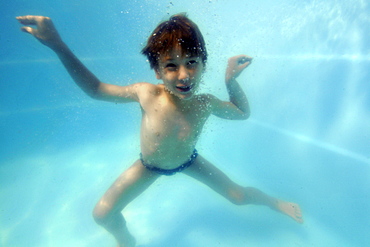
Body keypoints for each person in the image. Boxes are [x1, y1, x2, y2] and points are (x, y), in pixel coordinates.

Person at [17, 14, 303, 247]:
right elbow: (96, 89)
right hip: (149, 167)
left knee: (238, 197)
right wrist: (58, 45)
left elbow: (242, 114)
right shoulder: (146, 94)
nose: (184, 75)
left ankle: (274, 202)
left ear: (204, 65)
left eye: (192, 63)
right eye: (171, 66)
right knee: (102, 214)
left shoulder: (205, 104)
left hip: (190, 162)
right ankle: (125, 240)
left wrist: (230, 81)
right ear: (157, 71)